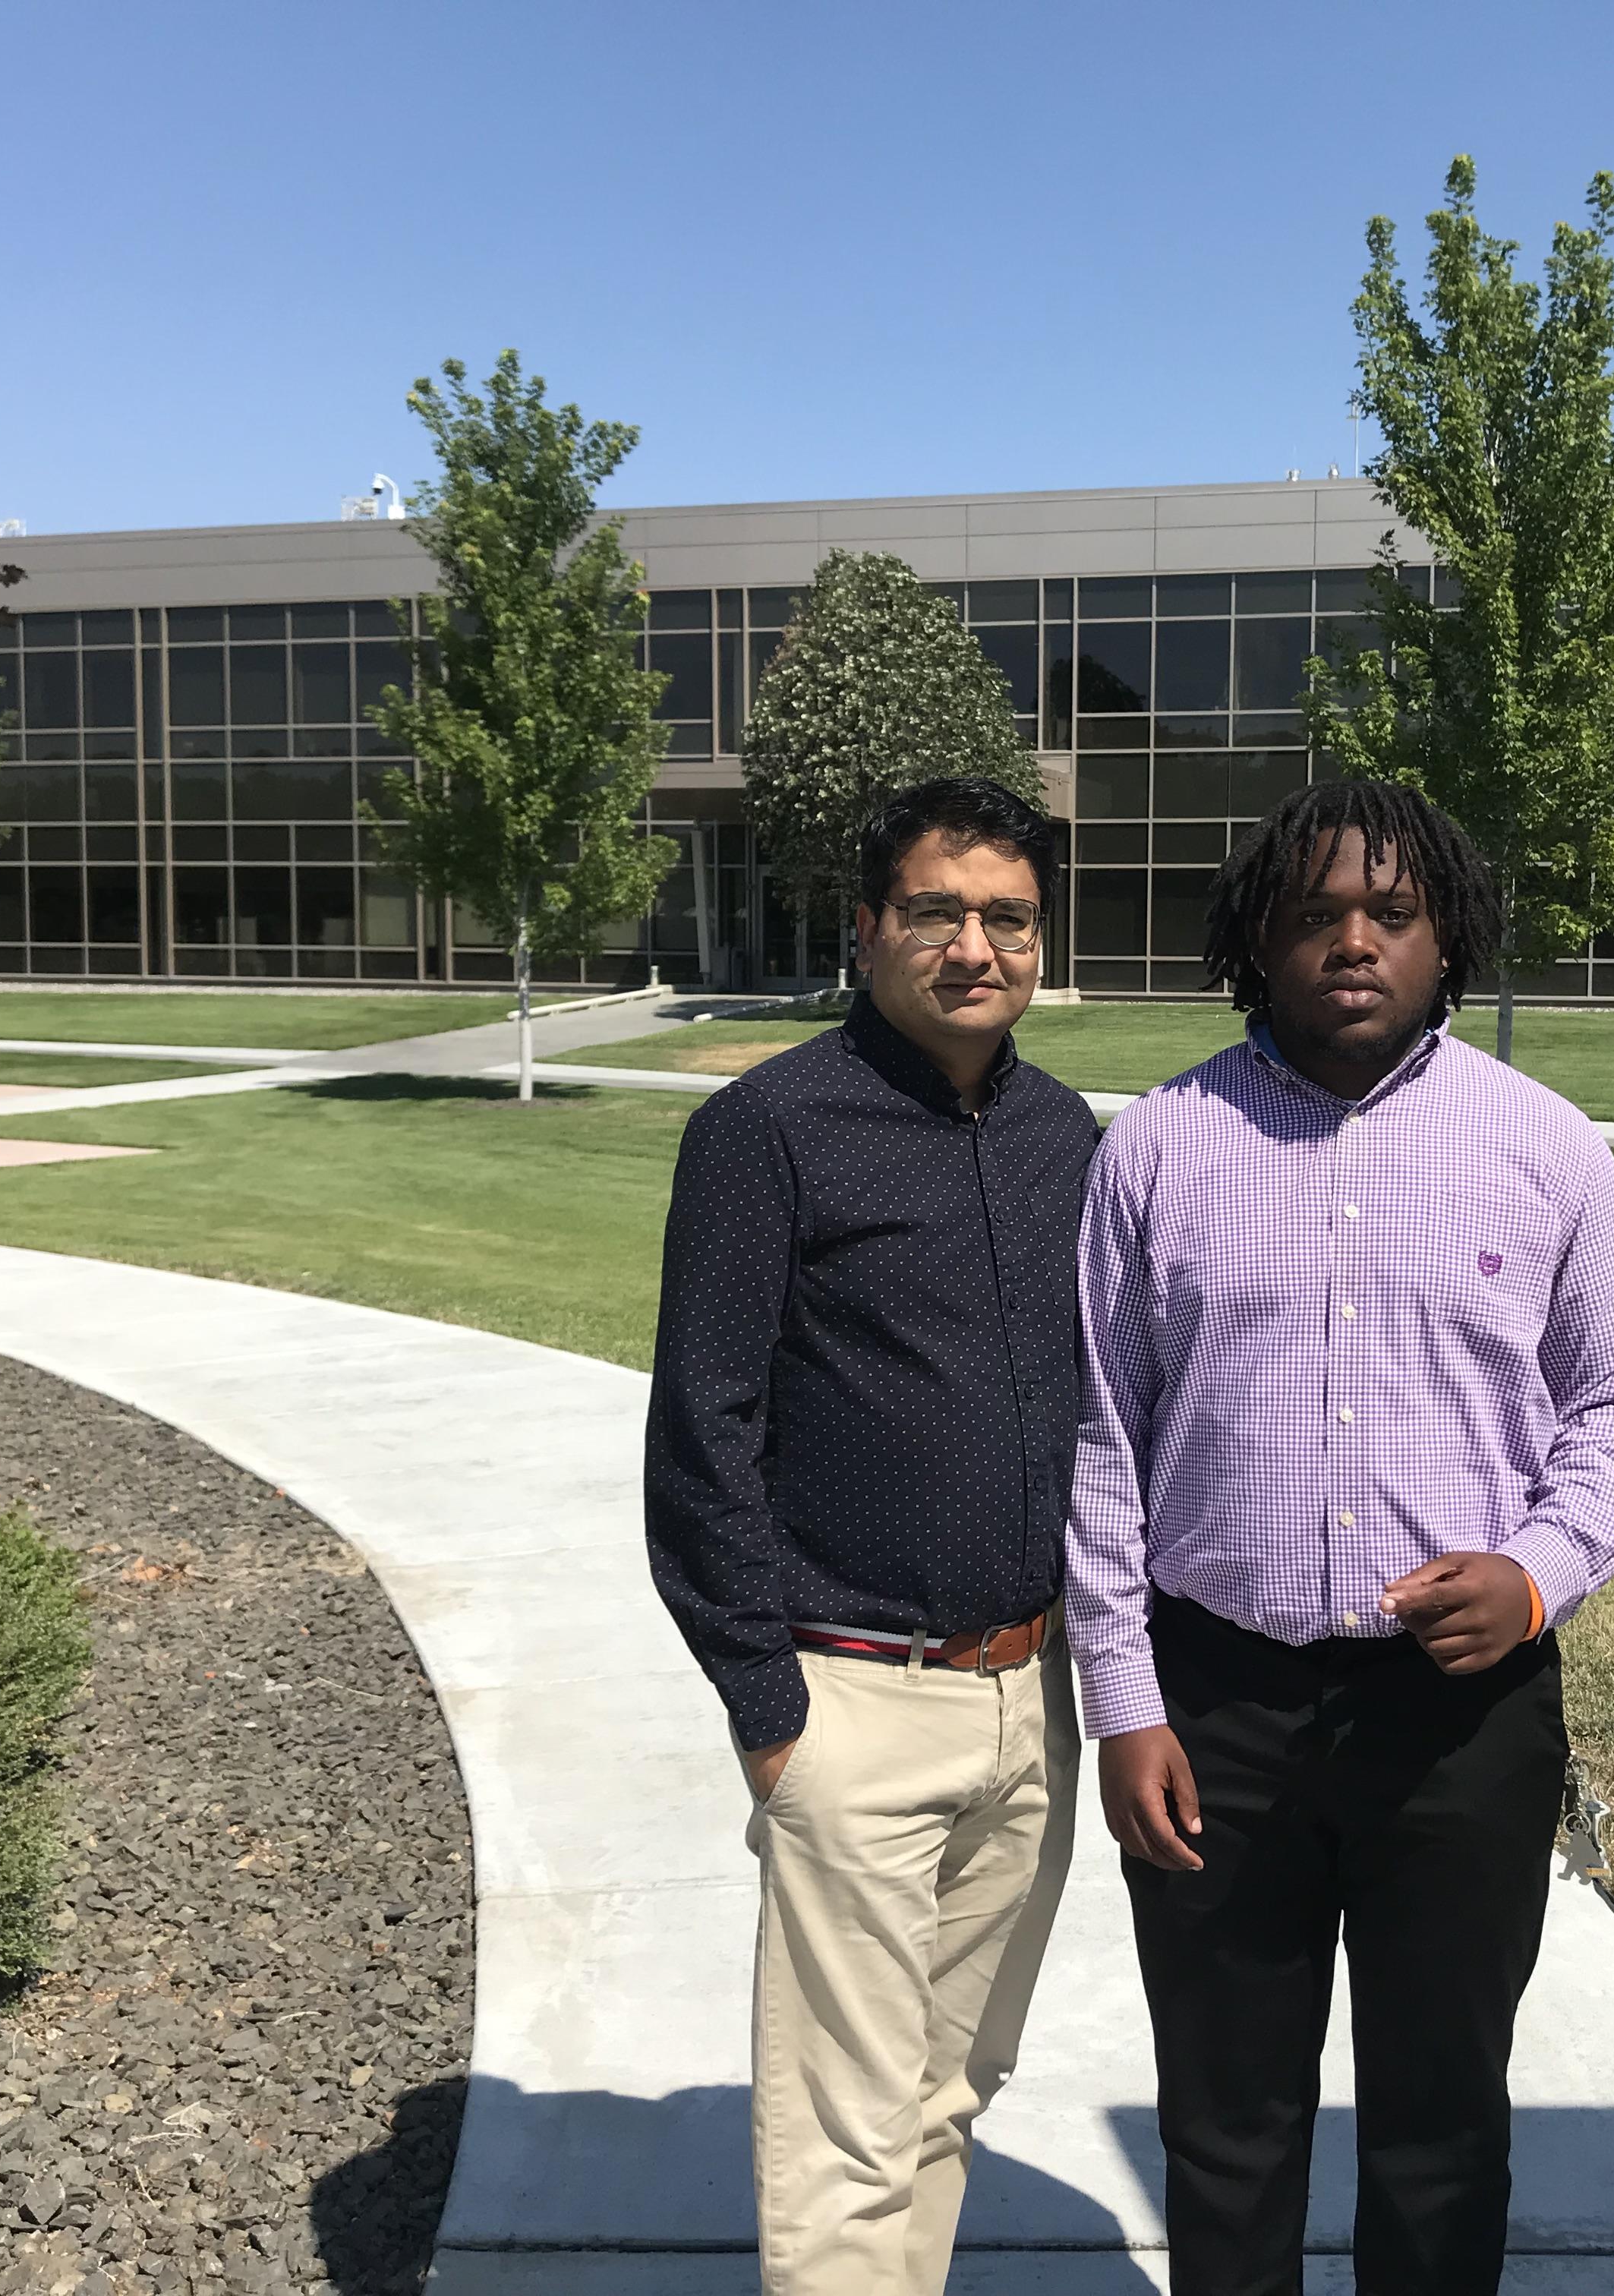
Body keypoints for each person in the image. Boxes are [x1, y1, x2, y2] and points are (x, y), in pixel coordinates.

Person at [1067, 777, 1614, 2296]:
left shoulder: (1543, 1149)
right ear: (1257, 944)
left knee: (1442, 2127)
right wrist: (1123, 1703)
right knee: (1225, 2126)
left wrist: (1538, 1576)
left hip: (1458, 1723)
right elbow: (1096, 1444)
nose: (1355, 940)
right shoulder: (1156, 1151)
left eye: (1392, 914)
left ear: (1446, 938)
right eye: (1317, 913)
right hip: (1217, 1713)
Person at [646, 774, 1095, 2296]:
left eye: (1008, 917)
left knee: (951, 2094)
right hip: (849, 1699)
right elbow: (703, 1435)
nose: (974, 946)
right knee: (844, 2138)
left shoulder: (1061, 1135)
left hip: (1036, 1707)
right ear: (866, 930)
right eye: (936, 912)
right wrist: (774, 1715)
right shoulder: (766, 1132)